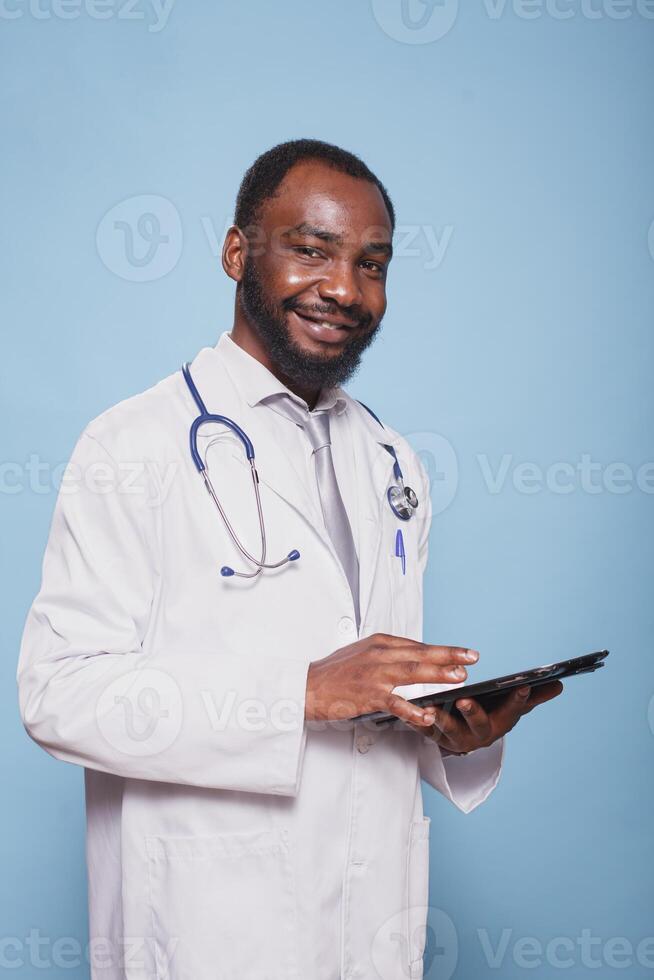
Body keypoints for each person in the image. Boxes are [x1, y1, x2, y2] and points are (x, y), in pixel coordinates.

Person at [17, 139, 562, 980]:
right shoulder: (133, 443)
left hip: (371, 918)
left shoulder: (393, 461)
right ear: (238, 253)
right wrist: (298, 694)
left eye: (371, 264)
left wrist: (450, 732)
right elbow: (58, 694)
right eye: (310, 250)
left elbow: (370, 704)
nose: (344, 289)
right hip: (206, 926)